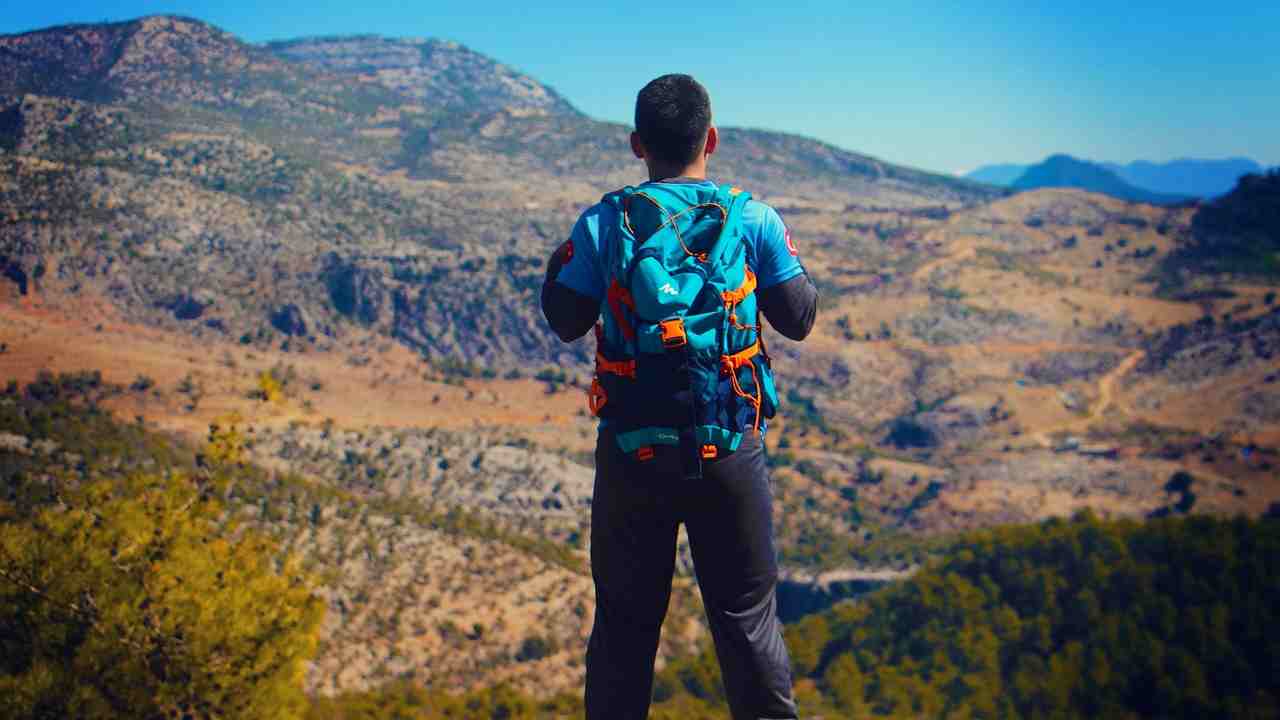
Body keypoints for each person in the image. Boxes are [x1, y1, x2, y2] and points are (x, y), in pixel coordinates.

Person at [540, 73, 818, 720]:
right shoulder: (753, 218)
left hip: (633, 454)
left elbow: (565, 319)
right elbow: (799, 318)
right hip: (730, 452)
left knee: (626, 627)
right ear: (711, 139)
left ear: (638, 144)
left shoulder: (604, 221)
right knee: (747, 619)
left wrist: (564, 261)